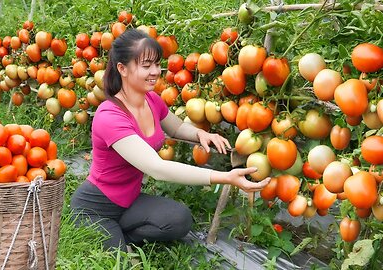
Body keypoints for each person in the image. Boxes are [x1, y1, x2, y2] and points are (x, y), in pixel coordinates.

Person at [70, 29, 271, 252]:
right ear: (122, 69)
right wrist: (225, 177)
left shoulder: (152, 100)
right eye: (146, 66)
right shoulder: (110, 116)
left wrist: (200, 134)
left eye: (157, 64)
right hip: (96, 207)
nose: (155, 71)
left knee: (179, 219)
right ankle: (111, 237)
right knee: (119, 261)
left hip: (130, 201)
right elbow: (157, 168)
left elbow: (176, 127)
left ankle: (120, 234)